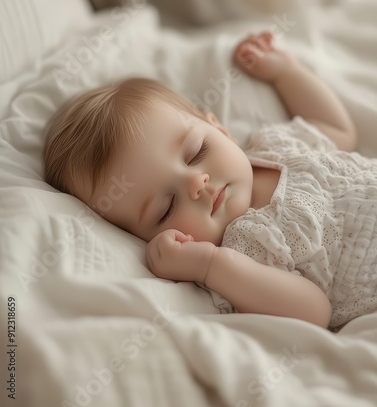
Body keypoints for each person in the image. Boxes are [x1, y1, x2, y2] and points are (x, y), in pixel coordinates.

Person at [43, 31, 377, 331]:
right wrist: (209, 265)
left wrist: (287, 73)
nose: (196, 183)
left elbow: (338, 131)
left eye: (196, 152)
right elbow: (314, 311)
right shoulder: (243, 254)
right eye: (167, 206)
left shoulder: (275, 145)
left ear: (218, 127)